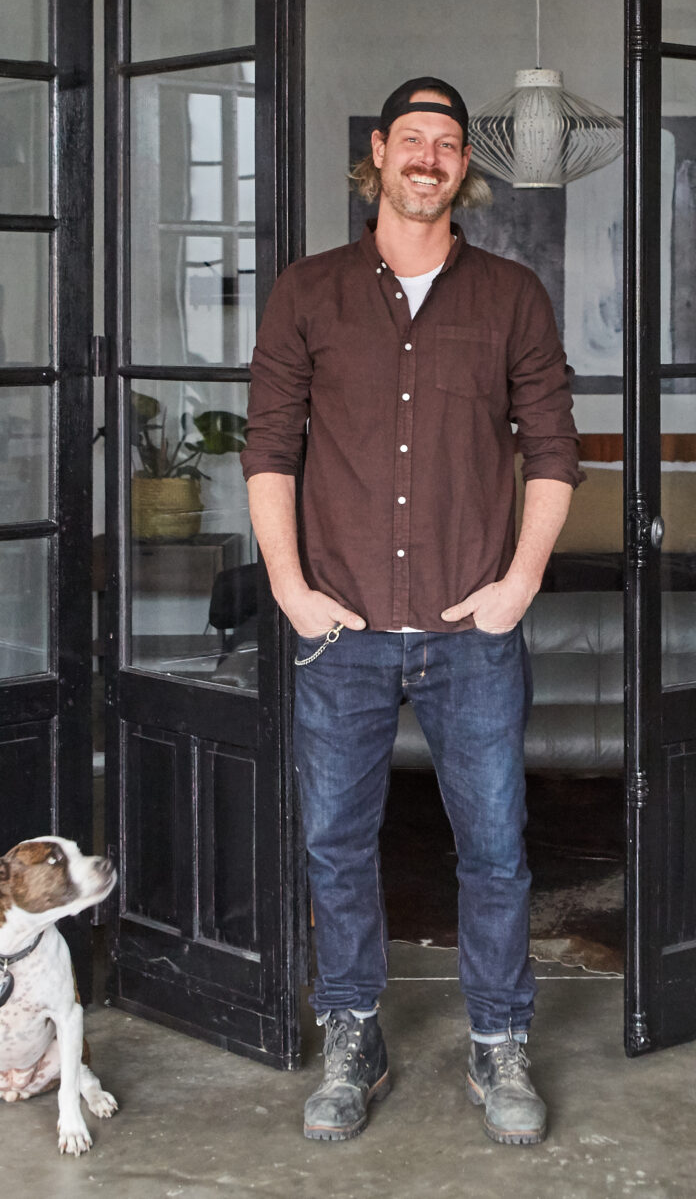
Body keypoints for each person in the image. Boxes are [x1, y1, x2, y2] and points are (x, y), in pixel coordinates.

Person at [241, 76, 580, 1147]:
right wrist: (292, 592)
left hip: (470, 633)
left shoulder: (512, 296)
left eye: (446, 143)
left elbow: (555, 450)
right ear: (379, 154)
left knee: (494, 849)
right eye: (413, 140)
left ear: (461, 168)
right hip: (338, 632)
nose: (429, 158)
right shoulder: (307, 293)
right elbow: (268, 451)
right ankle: (353, 1034)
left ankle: (497, 1042)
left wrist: (519, 582)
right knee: (337, 845)